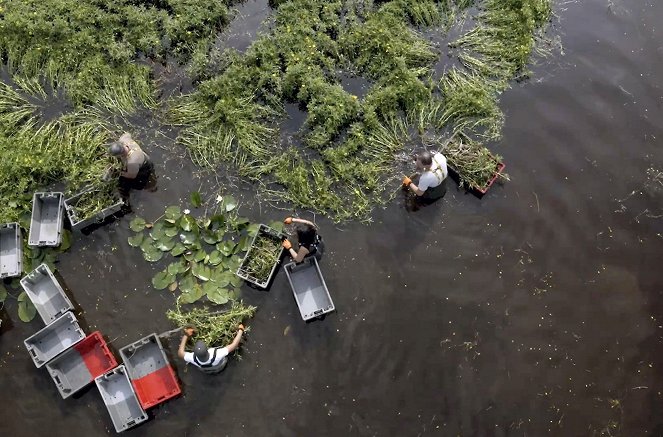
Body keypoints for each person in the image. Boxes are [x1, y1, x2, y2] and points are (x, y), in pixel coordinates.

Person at [177, 324, 245, 374]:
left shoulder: (192, 358)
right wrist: (240, 330)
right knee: (224, 361)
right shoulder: (217, 354)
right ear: (207, 349)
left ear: (194, 353)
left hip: (205, 369)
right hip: (219, 366)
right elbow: (234, 344)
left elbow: (180, 353)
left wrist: (186, 336)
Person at [107, 132, 157, 200]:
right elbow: (128, 134)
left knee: (138, 182)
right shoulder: (124, 140)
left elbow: (132, 176)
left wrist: (118, 172)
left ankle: (148, 186)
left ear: (120, 155)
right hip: (141, 155)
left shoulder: (131, 162)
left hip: (143, 166)